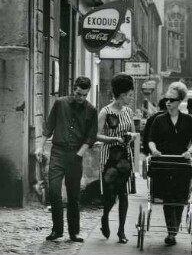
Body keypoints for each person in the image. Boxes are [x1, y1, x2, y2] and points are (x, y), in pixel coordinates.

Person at [35, 76, 98, 242]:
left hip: (76, 155)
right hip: (58, 153)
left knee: (74, 195)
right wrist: (40, 146)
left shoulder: (91, 110)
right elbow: (49, 126)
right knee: (54, 191)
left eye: (84, 95)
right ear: (74, 88)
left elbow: (90, 138)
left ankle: (74, 232)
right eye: (78, 94)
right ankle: (57, 230)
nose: (81, 98)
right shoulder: (60, 103)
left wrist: (78, 155)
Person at [148, 82, 192, 246]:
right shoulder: (159, 120)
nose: (168, 102)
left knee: (181, 198)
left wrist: (189, 152)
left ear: (180, 101)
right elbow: (150, 140)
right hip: (164, 162)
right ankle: (171, 232)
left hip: (181, 164)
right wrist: (154, 150)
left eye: (172, 100)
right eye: (167, 99)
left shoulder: (187, 120)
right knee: (168, 198)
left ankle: (173, 229)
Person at [97, 73, 137, 244]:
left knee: (124, 194)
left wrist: (130, 136)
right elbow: (96, 136)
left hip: (125, 159)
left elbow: (135, 133)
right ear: (122, 95)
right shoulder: (105, 112)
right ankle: (105, 217)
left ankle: (121, 231)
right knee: (110, 196)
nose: (131, 97)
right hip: (109, 159)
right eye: (130, 94)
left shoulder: (128, 111)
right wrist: (114, 139)